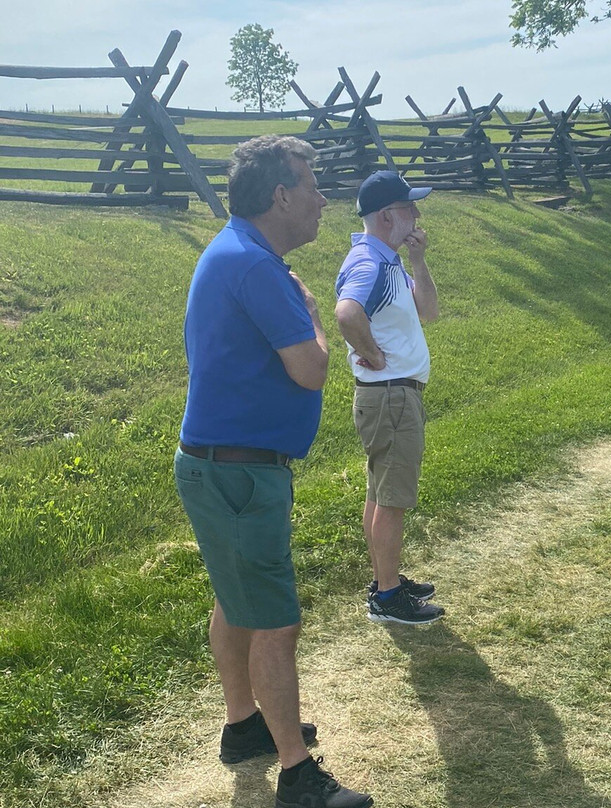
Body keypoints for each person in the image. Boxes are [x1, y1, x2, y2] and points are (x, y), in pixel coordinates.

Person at [175, 135, 373, 808]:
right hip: (238, 473)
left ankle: (244, 729)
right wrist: (317, 317)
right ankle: (297, 774)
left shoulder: (238, 250)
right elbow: (312, 369)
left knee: (238, 600)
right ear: (280, 195)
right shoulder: (257, 266)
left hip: (219, 465)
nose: (323, 199)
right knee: (274, 620)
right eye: (312, 186)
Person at [335, 170, 445, 625]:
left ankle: (387, 579)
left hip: (391, 397)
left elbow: (430, 313)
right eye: (408, 208)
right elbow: (346, 312)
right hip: (392, 397)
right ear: (386, 215)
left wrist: (419, 262)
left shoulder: (388, 260)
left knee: (380, 494)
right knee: (393, 498)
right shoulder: (372, 264)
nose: (416, 215)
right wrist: (371, 353)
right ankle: (386, 597)